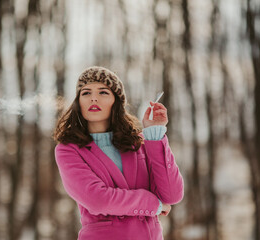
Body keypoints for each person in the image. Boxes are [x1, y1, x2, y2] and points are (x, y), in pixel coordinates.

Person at [53, 66, 184, 240]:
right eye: (85, 93)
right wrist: (152, 204)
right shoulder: (68, 150)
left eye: (103, 92)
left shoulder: (137, 142)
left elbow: (172, 195)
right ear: (79, 102)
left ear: (117, 101)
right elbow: (97, 199)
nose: (93, 98)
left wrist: (155, 133)